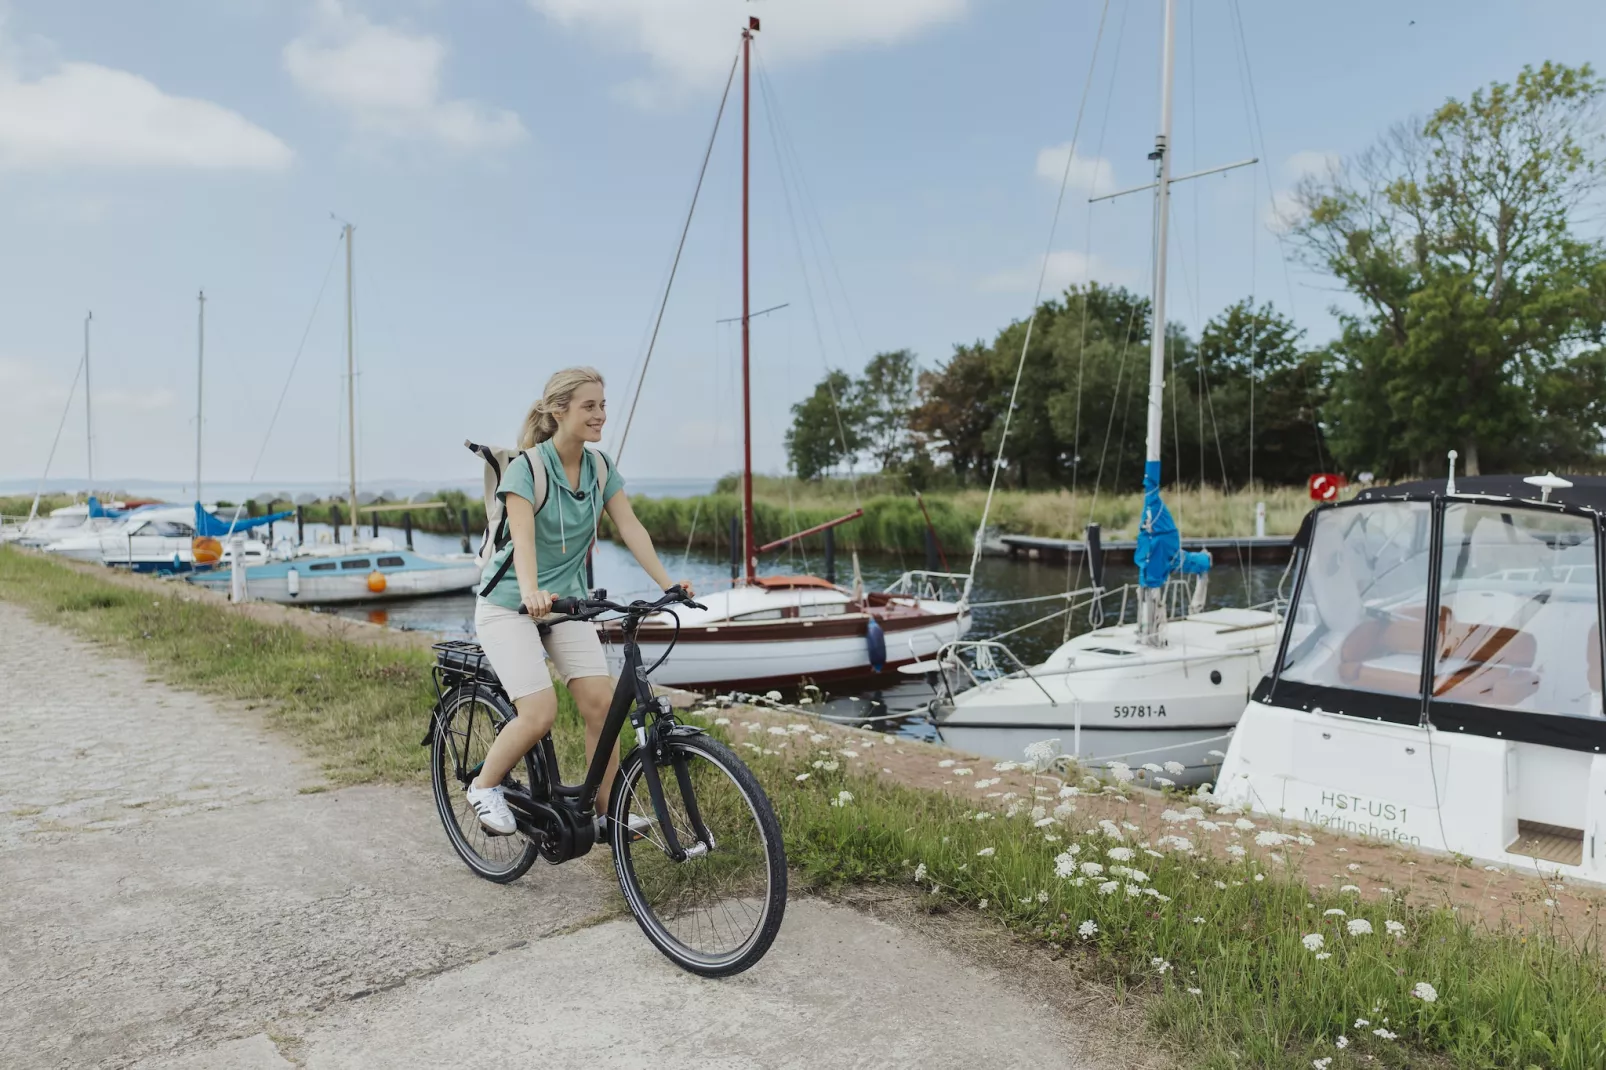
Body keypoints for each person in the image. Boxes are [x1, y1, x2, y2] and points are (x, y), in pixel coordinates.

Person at [465, 366, 691, 836]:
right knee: (540, 713)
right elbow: (523, 541)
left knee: (603, 707)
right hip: (509, 606)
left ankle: (607, 813)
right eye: (590, 406)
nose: (600, 415)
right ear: (557, 410)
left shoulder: (600, 467)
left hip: (566, 605)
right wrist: (530, 592)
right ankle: (484, 786)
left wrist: (669, 584)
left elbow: (631, 527)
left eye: (603, 405)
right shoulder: (527, 468)